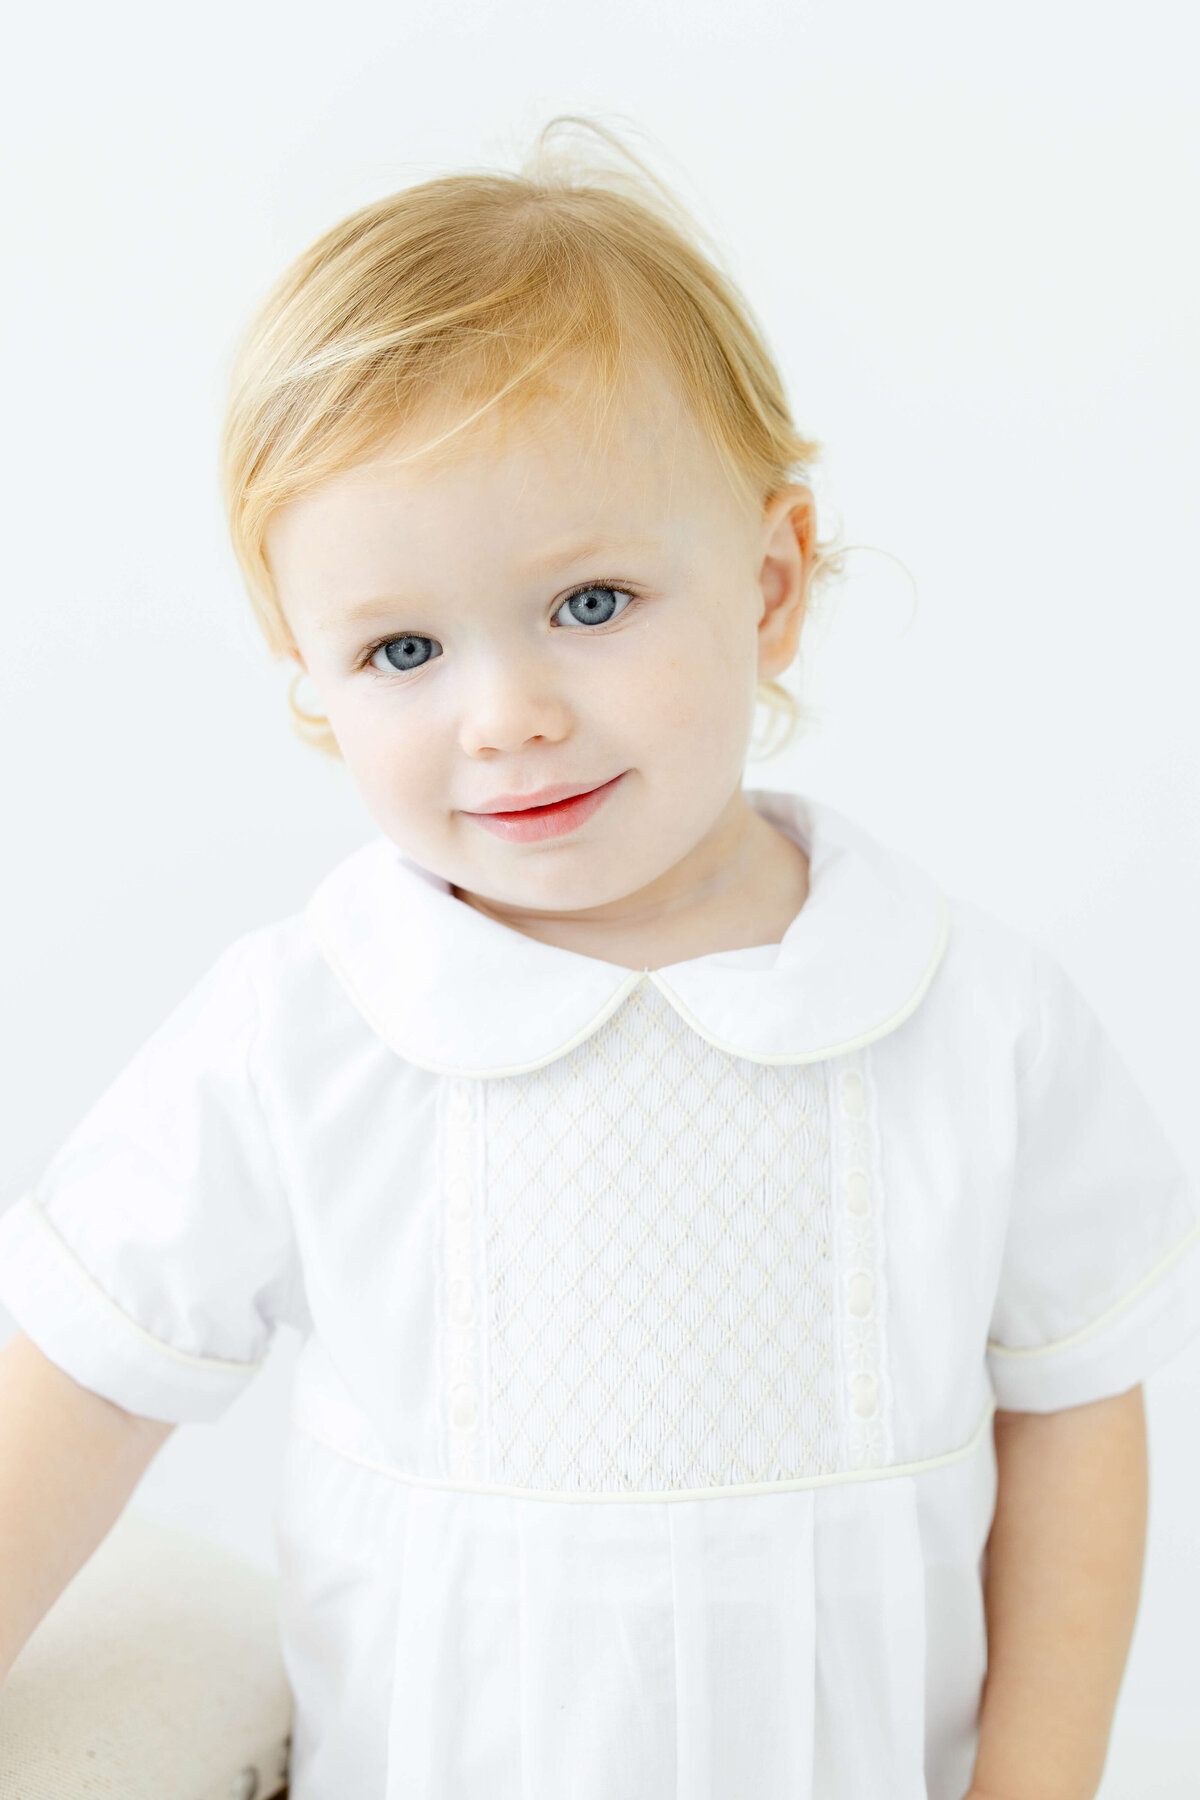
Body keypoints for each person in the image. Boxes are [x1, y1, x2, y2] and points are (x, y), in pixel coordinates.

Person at [0, 116, 1197, 1800]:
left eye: (589, 603)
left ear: (771, 583)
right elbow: (77, 1379)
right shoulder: (305, 1028)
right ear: (310, 683)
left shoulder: (969, 1018)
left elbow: (1073, 1413)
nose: (508, 715)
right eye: (403, 648)